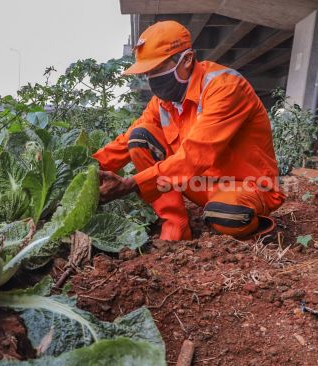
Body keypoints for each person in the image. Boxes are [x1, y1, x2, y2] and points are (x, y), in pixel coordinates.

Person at [91, 20, 285, 240]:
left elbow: (196, 155)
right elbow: (127, 140)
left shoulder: (224, 87)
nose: (152, 79)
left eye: (157, 69)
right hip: (198, 185)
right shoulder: (163, 102)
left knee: (228, 216)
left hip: (246, 186)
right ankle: (175, 225)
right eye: (147, 73)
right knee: (140, 137)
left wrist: (131, 183)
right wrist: (87, 168)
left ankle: (254, 223)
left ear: (187, 59)